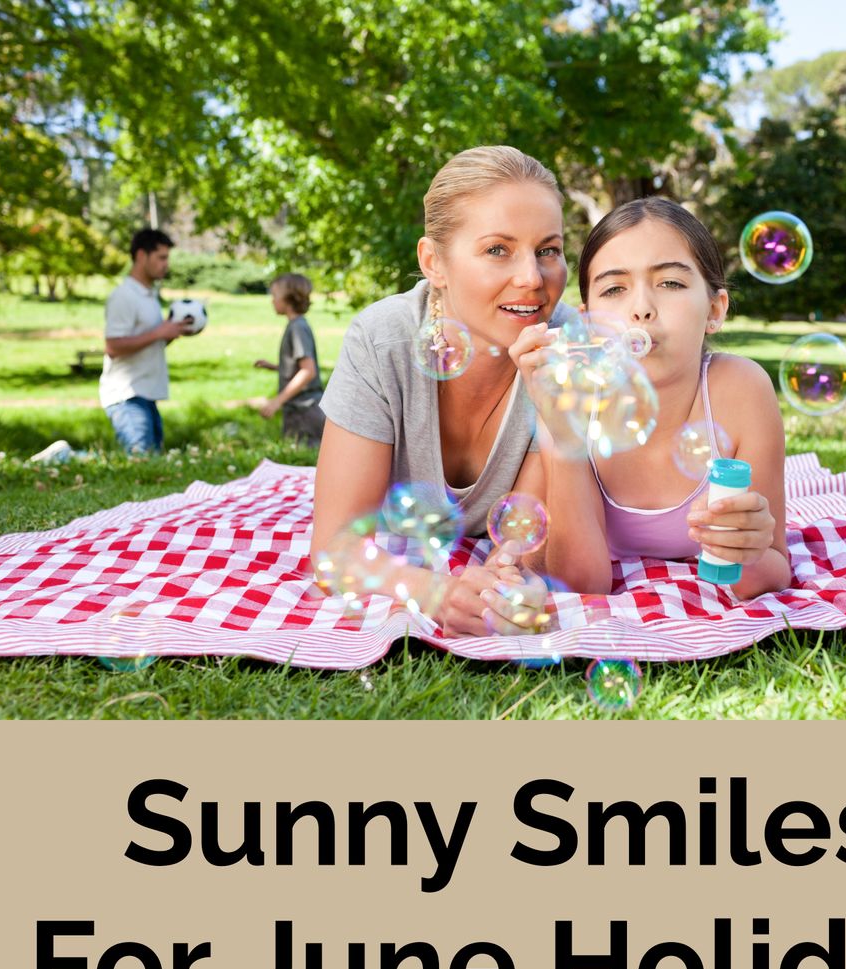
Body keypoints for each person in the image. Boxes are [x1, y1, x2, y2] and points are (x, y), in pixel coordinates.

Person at [312, 145, 577, 637]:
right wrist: (435, 591)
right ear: (434, 262)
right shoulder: (382, 340)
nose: (532, 278)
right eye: (498, 249)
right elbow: (336, 549)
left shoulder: (565, 347)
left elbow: (525, 538)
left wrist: (504, 581)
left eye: (548, 250)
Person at [511, 197, 791, 601]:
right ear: (587, 321)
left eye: (671, 283)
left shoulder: (741, 391)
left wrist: (746, 553)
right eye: (615, 289)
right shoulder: (573, 399)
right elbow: (583, 585)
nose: (641, 309)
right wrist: (565, 437)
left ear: (715, 309)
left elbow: (771, 570)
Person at [100, 228, 186, 453]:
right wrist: (158, 333)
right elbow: (113, 346)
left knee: (152, 459)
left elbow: (147, 341)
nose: (166, 264)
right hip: (127, 395)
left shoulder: (149, 296)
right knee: (140, 459)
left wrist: (170, 333)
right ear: (141, 256)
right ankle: (62, 457)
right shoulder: (124, 296)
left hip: (147, 393)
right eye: (161, 257)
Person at [252, 273, 325, 447]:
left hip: (304, 410)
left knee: (305, 460)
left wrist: (278, 400)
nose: (272, 300)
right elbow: (299, 367)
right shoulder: (296, 325)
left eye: (274, 295)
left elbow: (308, 371)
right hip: (298, 409)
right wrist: (277, 367)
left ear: (289, 298)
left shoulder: (297, 328)